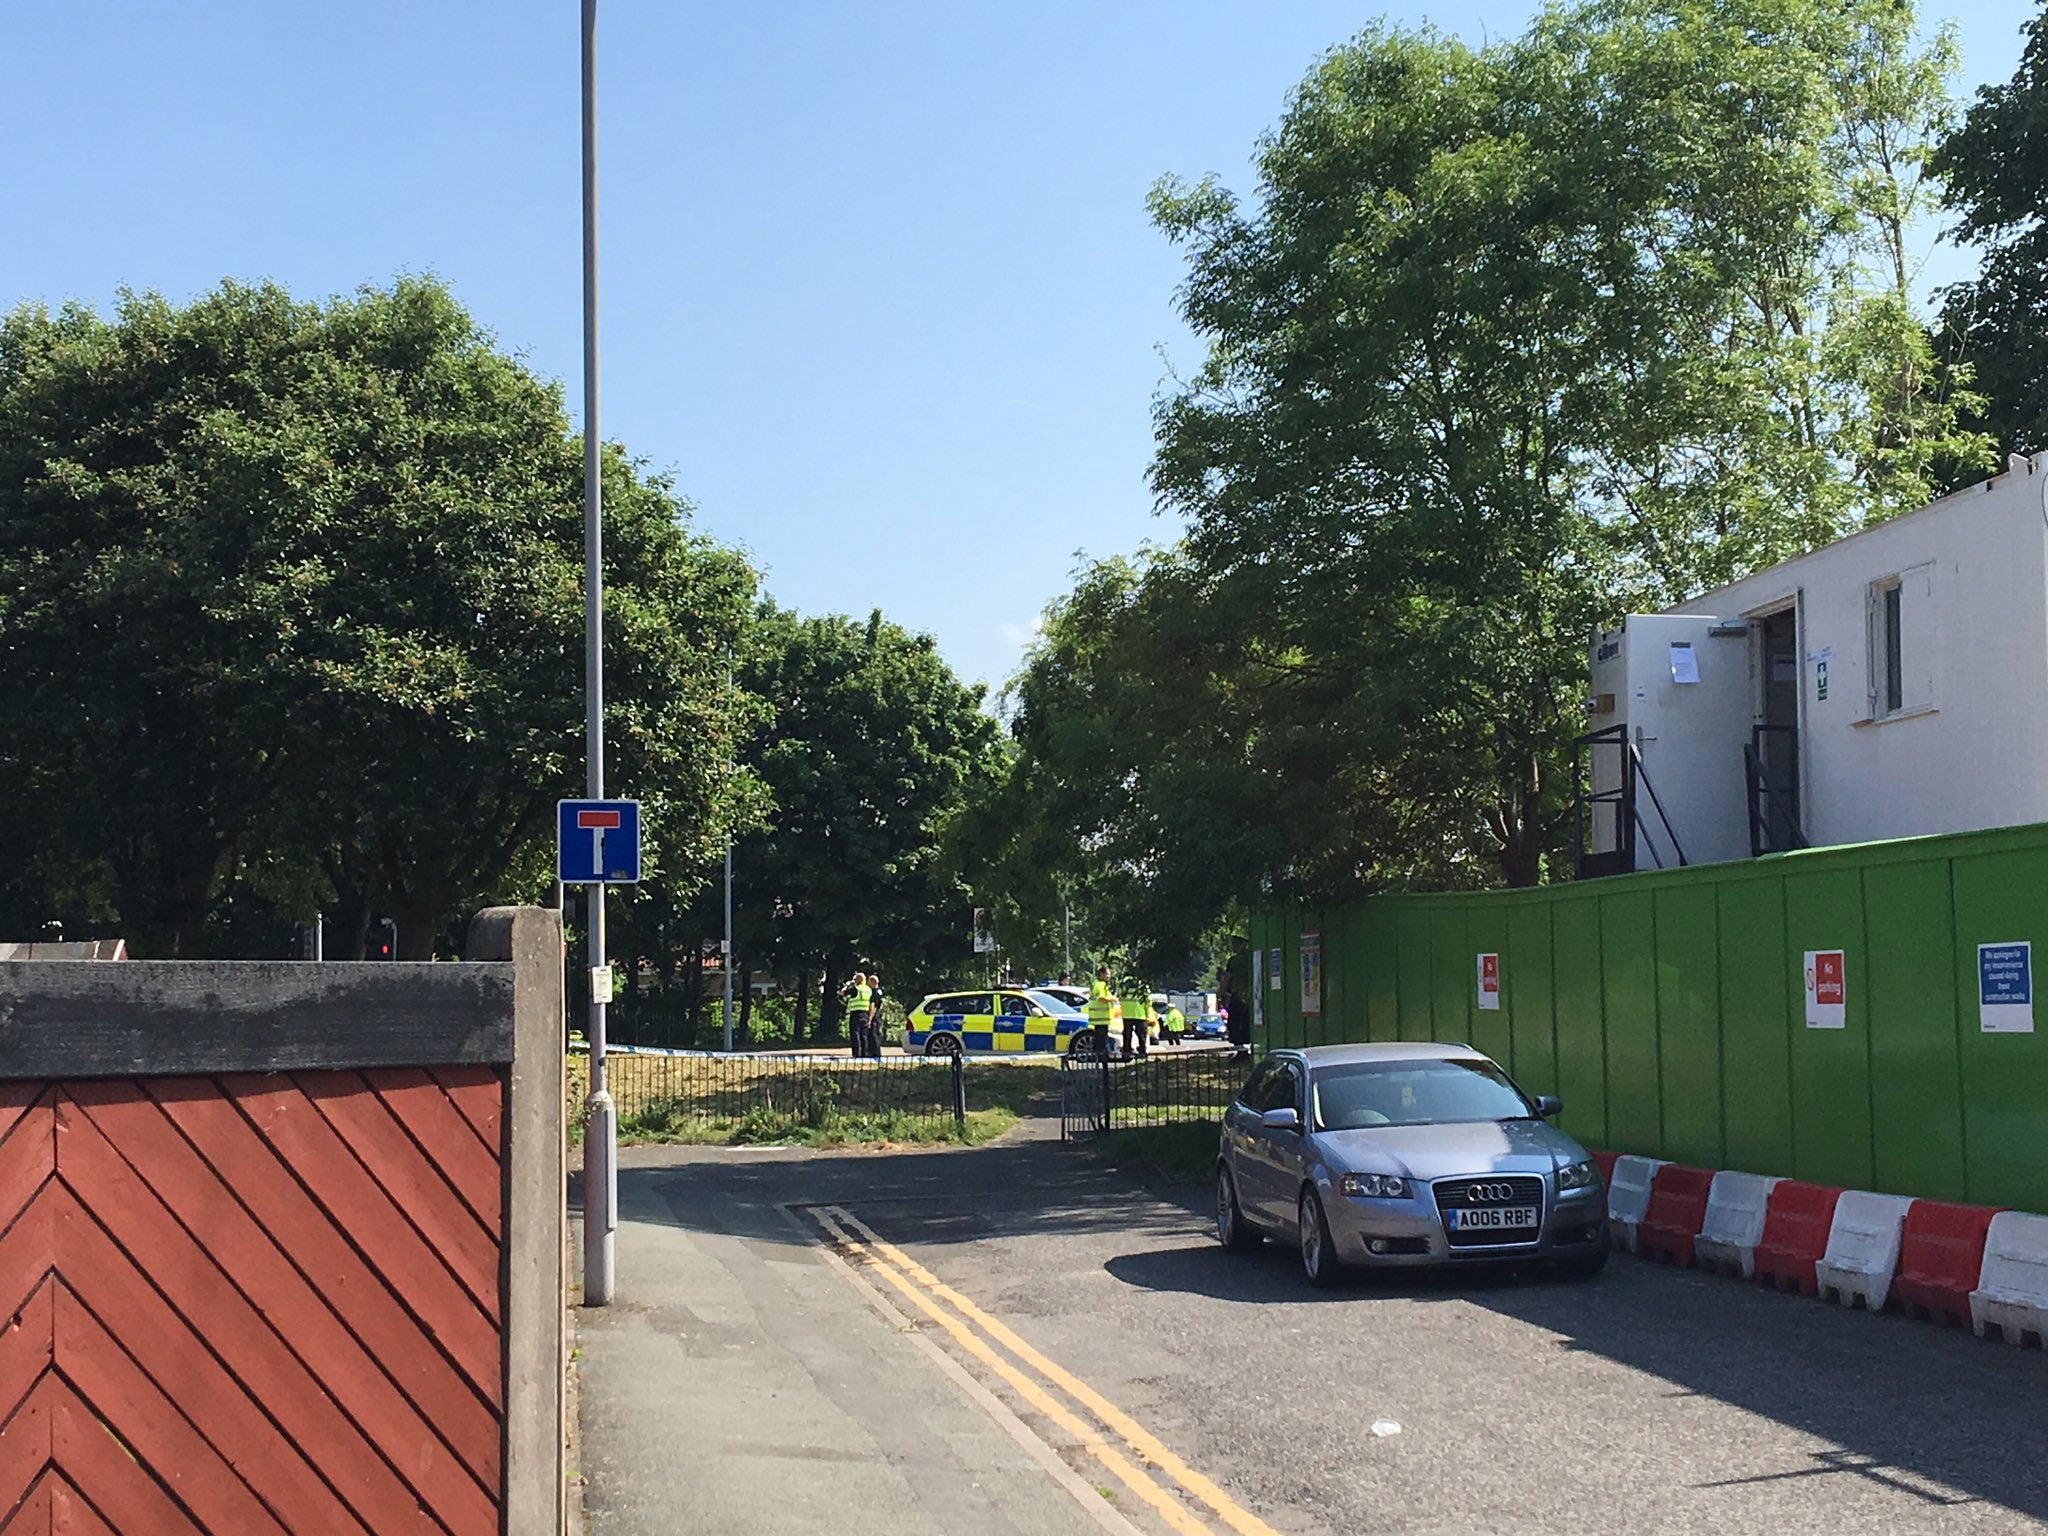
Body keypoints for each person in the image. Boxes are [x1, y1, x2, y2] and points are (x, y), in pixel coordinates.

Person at [1085, 965, 1119, 1053]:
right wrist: (1113, 999)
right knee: (1102, 1044)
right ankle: (1102, 1060)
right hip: (1101, 1019)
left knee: (1099, 1042)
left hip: (1099, 1019)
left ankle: (1098, 1058)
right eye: (1107, 974)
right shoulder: (1100, 985)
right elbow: (1101, 998)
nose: (1109, 976)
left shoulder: (1096, 984)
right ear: (1101, 974)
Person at [842, 971, 874, 1058]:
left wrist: (848, 984)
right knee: (864, 1035)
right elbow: (871, 1004)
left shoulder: (856, 988)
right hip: (865, 1014)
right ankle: (864, 1053)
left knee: (855, 1034)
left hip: (856, 1013)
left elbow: (842, 993)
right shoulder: (868, 989)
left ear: (858, 980)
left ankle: (857, 1053)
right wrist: (870, 1018)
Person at [1120, 978, 1154, 1060]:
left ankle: (1127, 1051)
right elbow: (1148, 1001)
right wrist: (1148, 1014)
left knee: (1127, 1034)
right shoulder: (1143, 984)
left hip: (1128, 1013)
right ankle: (1142, 1052)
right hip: (1140, 1014)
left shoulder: (1124, 983)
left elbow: (1120, 996)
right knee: (1141, 1034)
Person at [868, 973, 887, 1056]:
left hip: (874, 1015)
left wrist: (870, 1017)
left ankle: (874, 1052)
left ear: (872, 982)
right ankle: (876, 1052)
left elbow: (874, 1005)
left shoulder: (874, 992)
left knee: (873, 1034)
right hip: (878, 1014)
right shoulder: (880, 990)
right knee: (876, 1033)